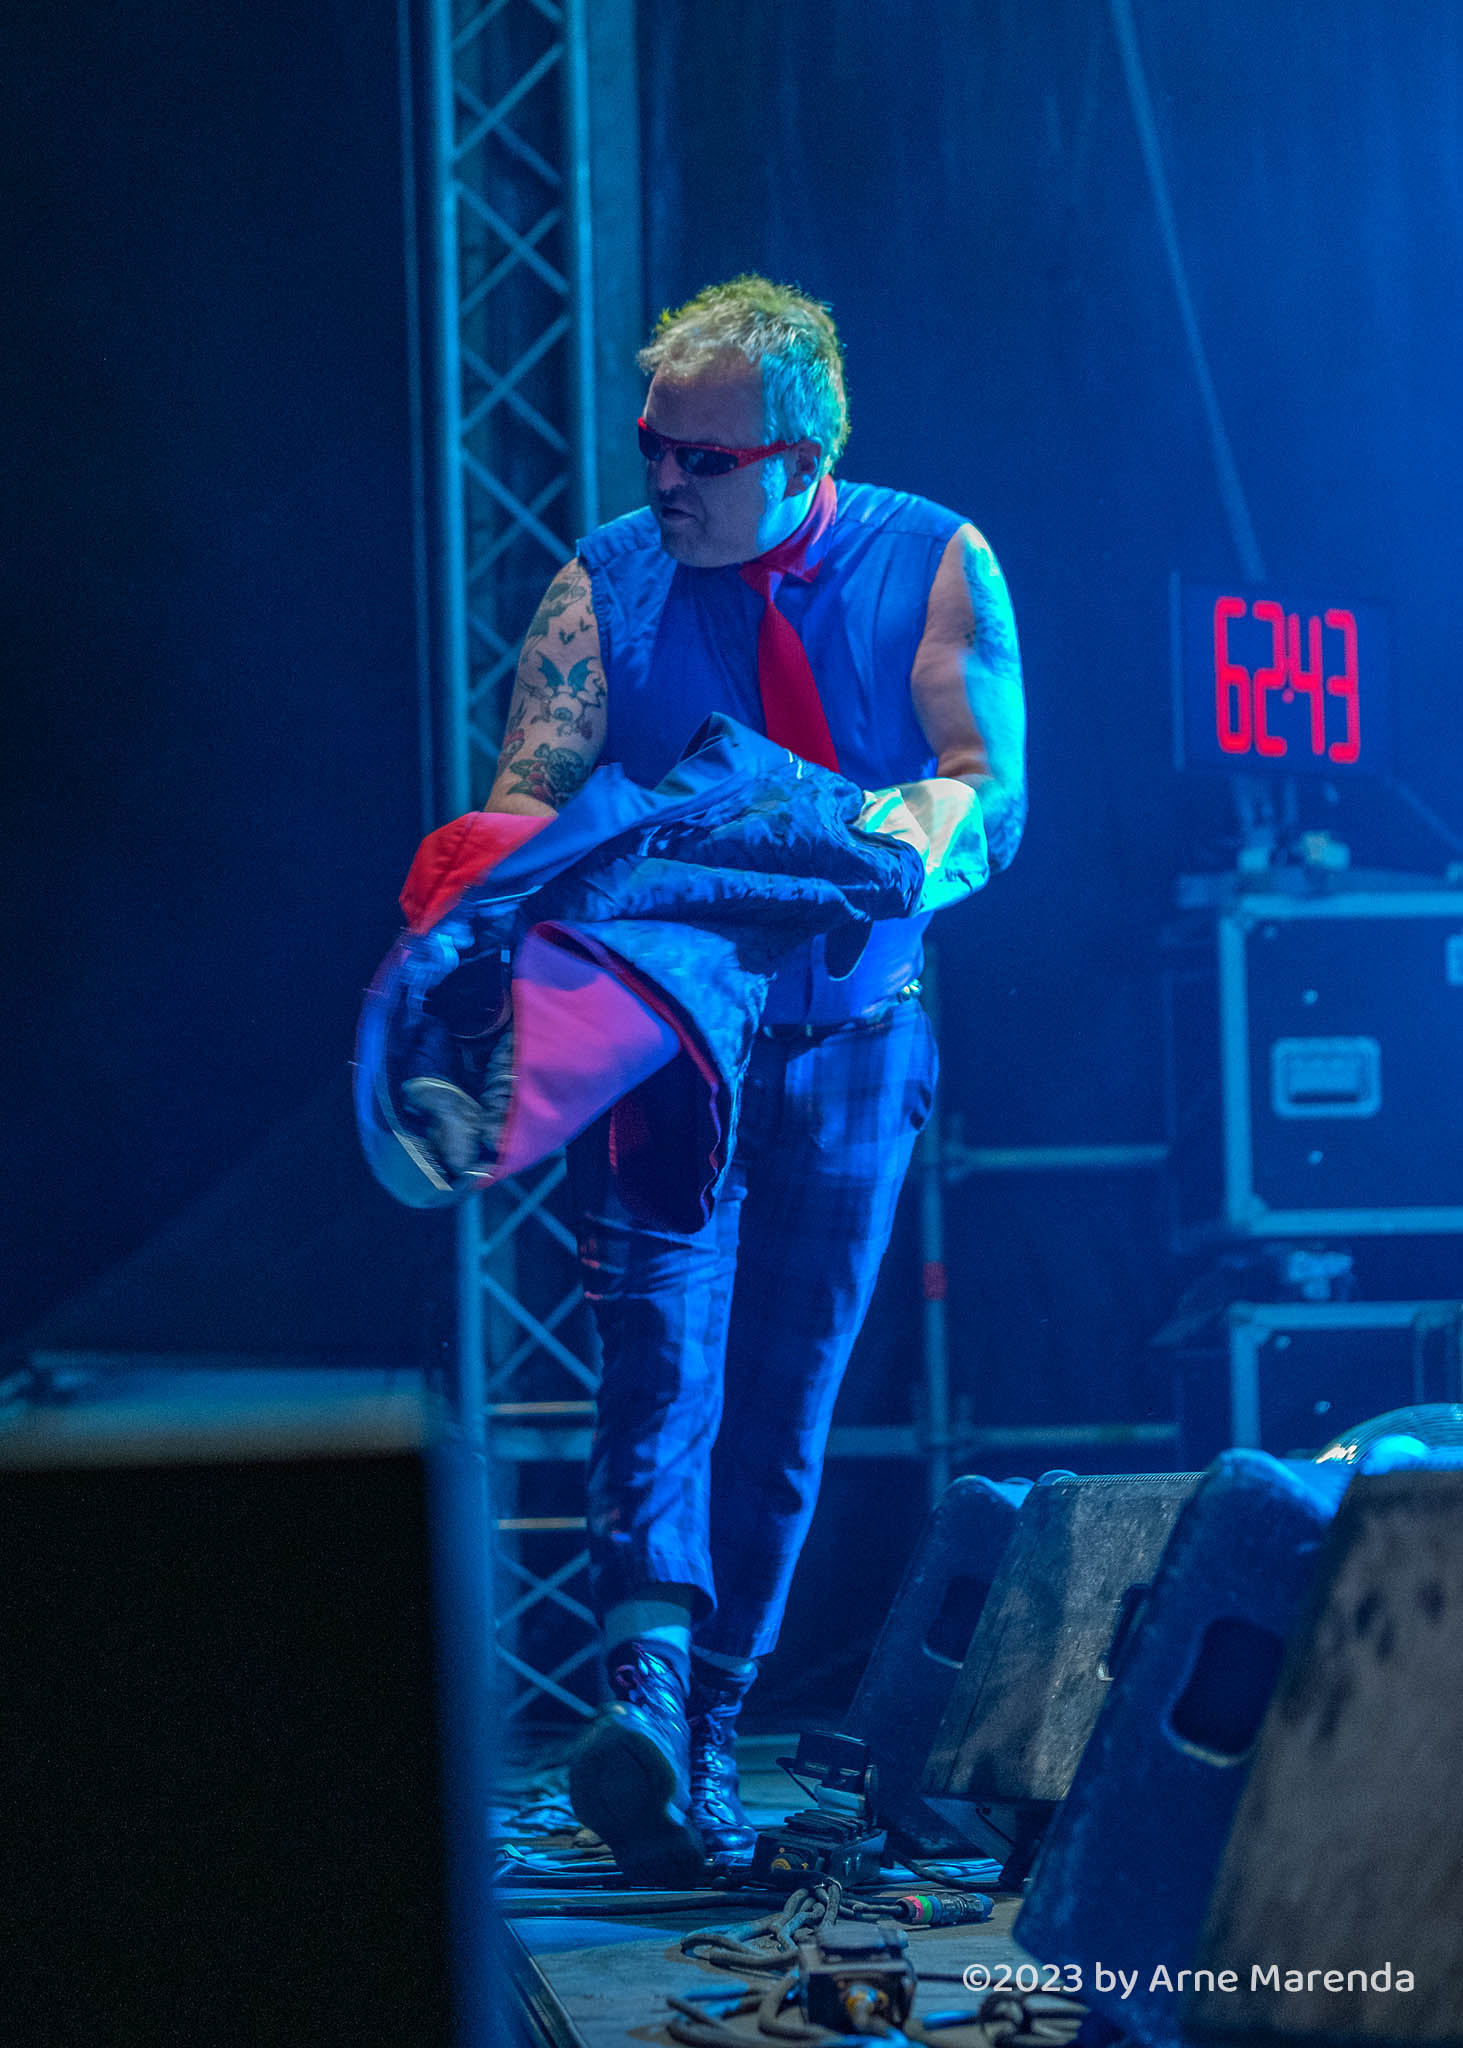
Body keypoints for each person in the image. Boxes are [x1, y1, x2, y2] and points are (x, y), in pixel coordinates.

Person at [484, 275, 1027, 1884]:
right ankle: (647, 1708)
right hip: (665, 1046)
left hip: (855, 1038)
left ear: (804, 458)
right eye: (653, 446)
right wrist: (479, 920)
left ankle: (709, 1735)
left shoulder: (934, 559)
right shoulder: (606, 581)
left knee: (784, 1400)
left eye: (705, 460)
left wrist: (888, 846)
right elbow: (529, 795)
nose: (667, 480)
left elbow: (988, 792)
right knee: (657, 1362)